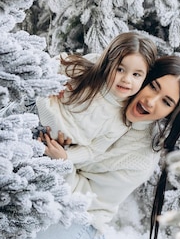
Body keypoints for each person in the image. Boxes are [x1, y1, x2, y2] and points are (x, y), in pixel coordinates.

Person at [30, 56, 180, 239]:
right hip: (35, 184)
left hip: (81, 213)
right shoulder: (107, 80)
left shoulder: (141, 160)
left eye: (166, 101)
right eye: (153, 86)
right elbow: (54, 68)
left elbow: (91, 200)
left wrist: (63, 163)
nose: (151, 101)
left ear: (172, 113)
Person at [35, 32, 158, 165]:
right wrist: (54, 82)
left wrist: (66, 156)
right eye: (120, 69)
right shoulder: (85, 73)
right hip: (36, 110)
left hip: (51, 147)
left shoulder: (120, 121)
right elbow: (55, 64)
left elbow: (93, 150)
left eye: (136, 74)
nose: (126, 79)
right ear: (108, 63)